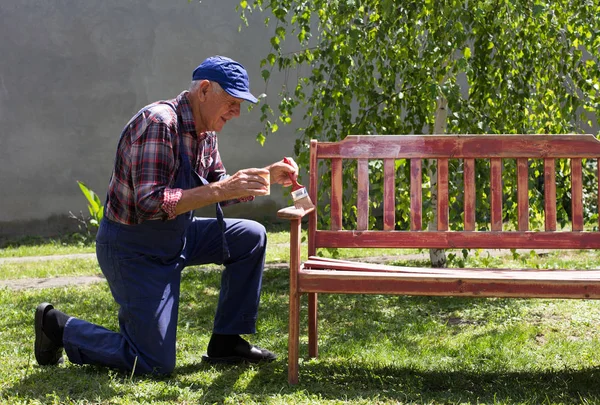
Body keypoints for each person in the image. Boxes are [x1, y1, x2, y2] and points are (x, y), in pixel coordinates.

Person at [34, 55, 299, 375]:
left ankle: (227, 342)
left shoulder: (206, 132)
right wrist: (222, 190)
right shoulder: (160, 123)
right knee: (153, 362)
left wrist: (266, 176)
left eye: (240, 104)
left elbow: (218, 184)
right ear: (204, 90)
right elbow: (150, 203)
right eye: (231, 101)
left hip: (178, 234)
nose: (237, 112)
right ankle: (59, 326)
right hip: (134, 248)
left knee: (250, 236)